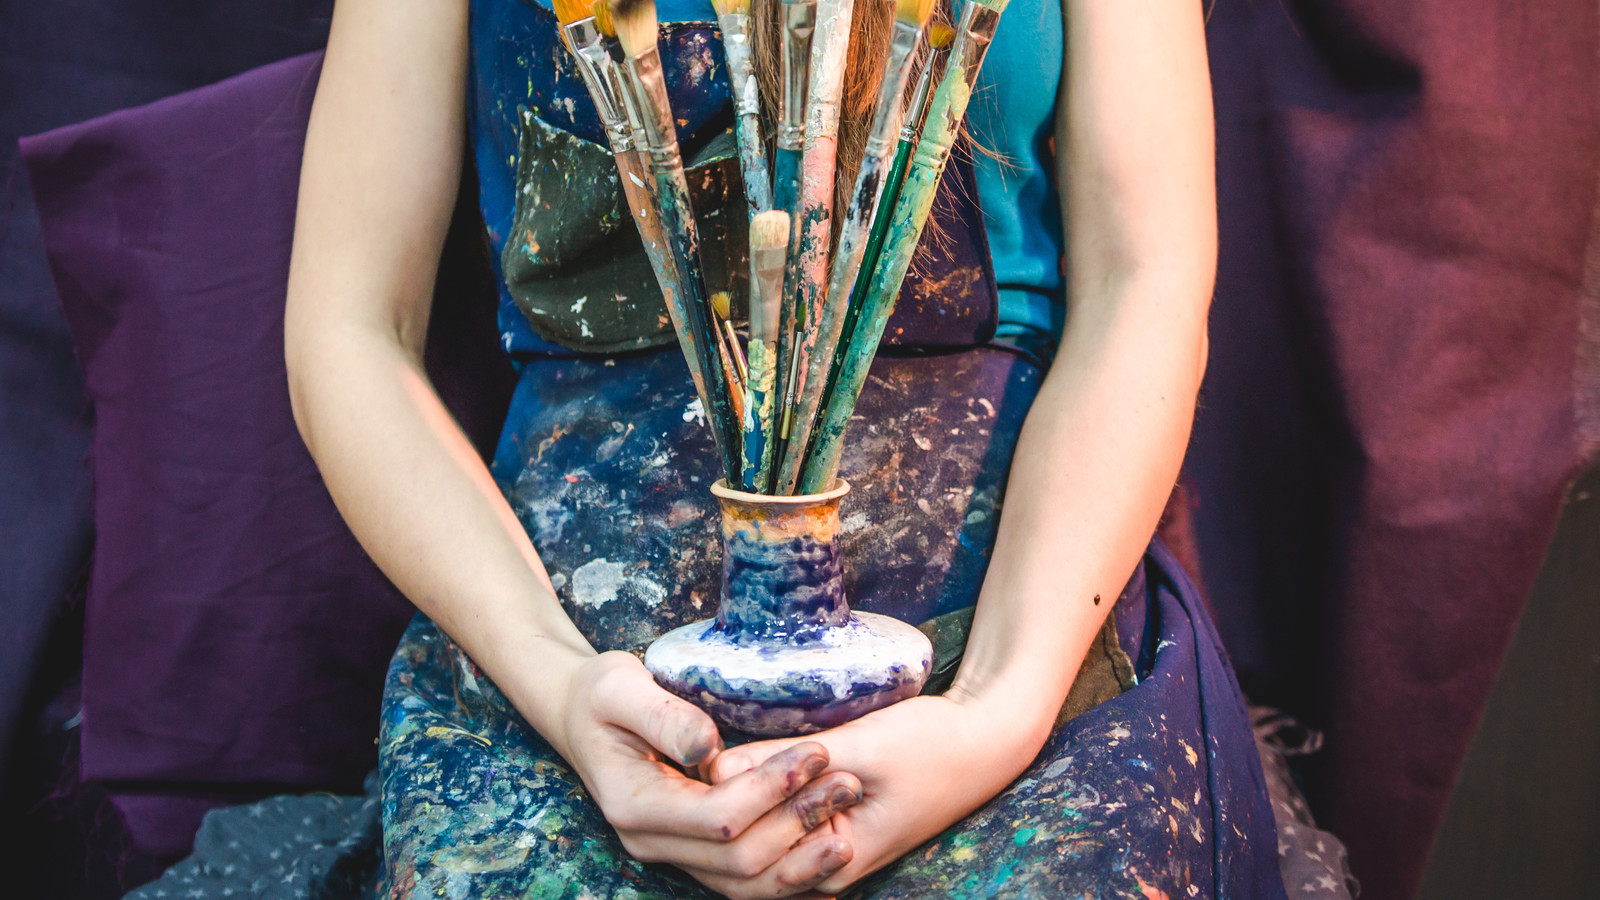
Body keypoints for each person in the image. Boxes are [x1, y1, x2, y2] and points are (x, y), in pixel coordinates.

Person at [281, 0, 1276, 897]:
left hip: (1022, 641)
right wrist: (560, 684)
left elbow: (1143, 286)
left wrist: (994, 711)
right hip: (564, 674)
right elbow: (351, 328)